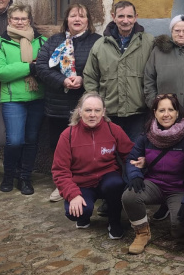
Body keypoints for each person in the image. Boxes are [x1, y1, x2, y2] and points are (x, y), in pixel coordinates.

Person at [35, 3, 102, 202]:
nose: (77, 19)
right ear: (67, 19)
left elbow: (101, 68)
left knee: (86, 145)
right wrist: (62, 80)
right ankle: (62, 184)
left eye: (82, 16)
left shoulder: (97, 41)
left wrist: (82, 78)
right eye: (73, 15)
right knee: (58, 145)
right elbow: (41, 66)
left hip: (84, 103)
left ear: (88, 20)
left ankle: (86, 185)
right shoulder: (54, 41)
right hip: (57, 103)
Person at [52, 92, 134, 239]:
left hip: (107, 178)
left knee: (116, 184)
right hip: (82, 183)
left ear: (103, 112)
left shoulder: (113, 129)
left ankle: (114, 222)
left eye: (97, 110)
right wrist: (73, 195)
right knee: (77, 212)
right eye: (88, 110)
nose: (92, 115)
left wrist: (139, 162)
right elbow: (60, 171)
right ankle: (83, 217)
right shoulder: (68, 135)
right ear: (79, 111)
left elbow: (129, 154)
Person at [122, 93, 184, 254]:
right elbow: (132, 159)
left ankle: (182, 222)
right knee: (129, 196)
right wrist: (135, 174)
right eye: (161, 110)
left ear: (177, 112)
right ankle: (142, 233)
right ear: (155, 112)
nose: (166, 114)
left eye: (171, 109)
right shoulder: (147, 135)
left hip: (178, 188)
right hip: (154, 184)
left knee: (179, 230)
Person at [0, 4, 47, 195]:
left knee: (31, 140)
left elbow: (47, 66)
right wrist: (30, 67)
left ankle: (25, 177)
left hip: (37, 97)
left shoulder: (43, 41)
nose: (20, 22)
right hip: (13, 99)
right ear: (9, 20)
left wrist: (37, 67)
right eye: (16, 19)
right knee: (14, 140)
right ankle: (8, 174)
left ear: (29, 20)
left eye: (23, 19)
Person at [84, 0, 154, 142]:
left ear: (136, 17)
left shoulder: (149, 42)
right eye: (121, 16)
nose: (125, 21)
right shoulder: (100, 45)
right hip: (109, 112)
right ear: (113, 17)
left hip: (138, 112)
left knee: (135, 154)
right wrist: (97, 106)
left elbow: (156, 75)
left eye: (129, 16)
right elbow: (90, 77)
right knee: (110, 154)